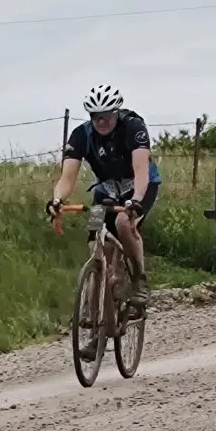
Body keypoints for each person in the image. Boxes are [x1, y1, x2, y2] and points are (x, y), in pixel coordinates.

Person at [48, 85, 158, 314]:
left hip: (139, 186)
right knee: (96, 242)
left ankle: (139, 280)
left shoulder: (133, 127)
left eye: (107, 116)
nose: (102, 122)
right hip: (106, 191)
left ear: (116, 112)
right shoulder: (81, 135)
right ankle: (94, 312)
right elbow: (67, 177)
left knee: (122, 223)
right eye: (96, 117)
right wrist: (57, 199)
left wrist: (135, 201)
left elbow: (141, 170)